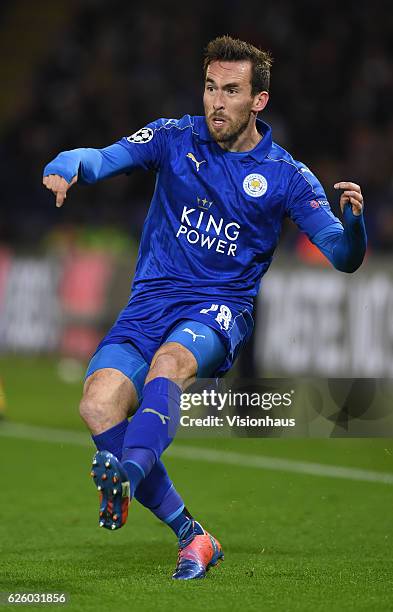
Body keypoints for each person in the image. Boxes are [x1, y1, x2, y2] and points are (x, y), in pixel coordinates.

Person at [42, 35, 367, 580]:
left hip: (217, 311)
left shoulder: (286, 175)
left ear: (258, 100)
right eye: (211, 87)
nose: (217, 101)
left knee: (168, 364)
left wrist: (354, 227)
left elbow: (343, 255)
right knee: (98, 406)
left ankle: (124, 470)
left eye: (232, 91)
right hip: (148, 302)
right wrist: (66, 163)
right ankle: (194, 537)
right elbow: (101, 157)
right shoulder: (174, 137)